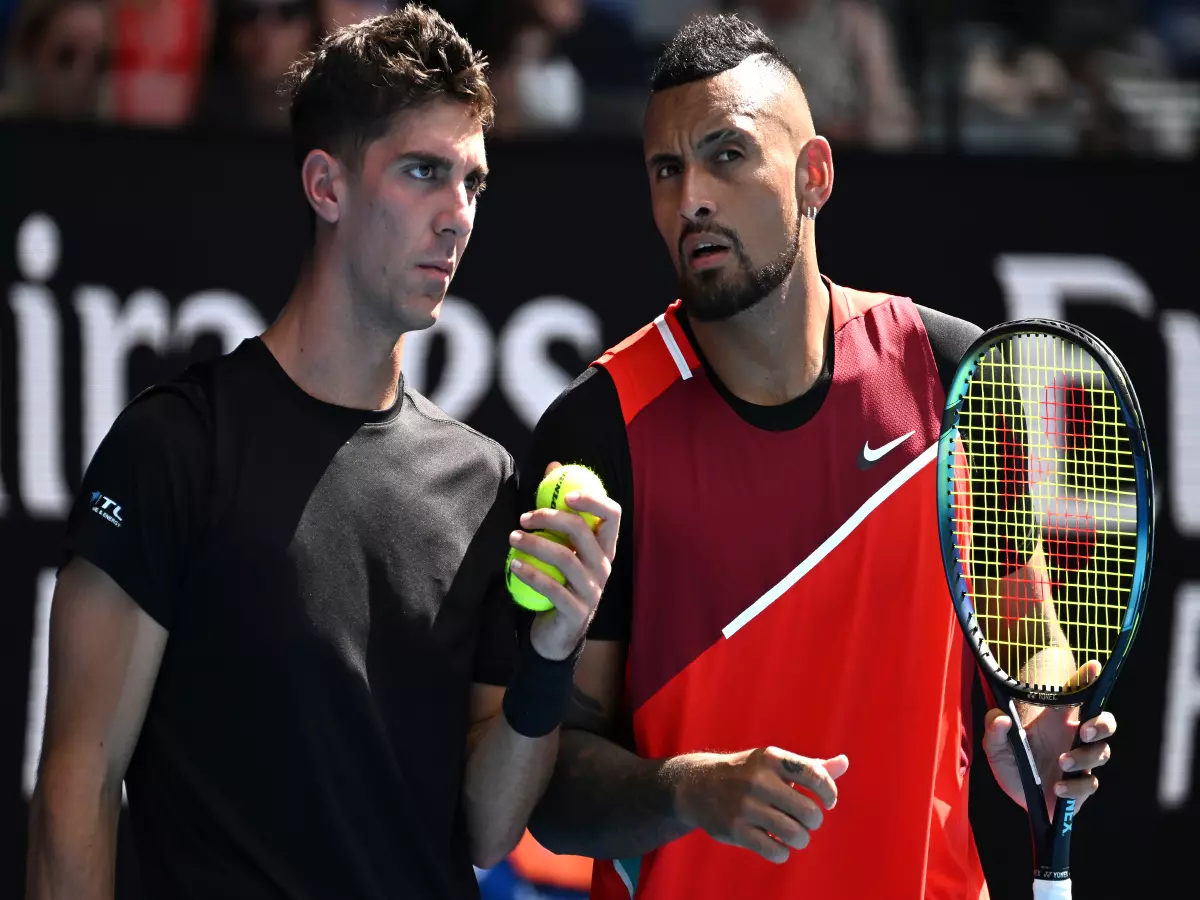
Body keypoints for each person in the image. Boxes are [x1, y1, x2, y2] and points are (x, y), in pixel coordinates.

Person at [512, 14, 1119, 900]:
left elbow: (1029, 650)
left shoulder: (951, 375)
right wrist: (694, 792)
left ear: (814, 175)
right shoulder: (600, 429)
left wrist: (1037, 730)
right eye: (667, 170)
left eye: (728, 155)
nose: (693, 201)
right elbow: (550, 791)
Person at [24, 6, 619, 900]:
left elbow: (490, 831)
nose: (457, 215)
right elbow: (76, 791)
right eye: (424, 172)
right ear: (326, 186)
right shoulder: (174, 447)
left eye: (473, 183)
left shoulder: (486, 483)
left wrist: (551, 653)